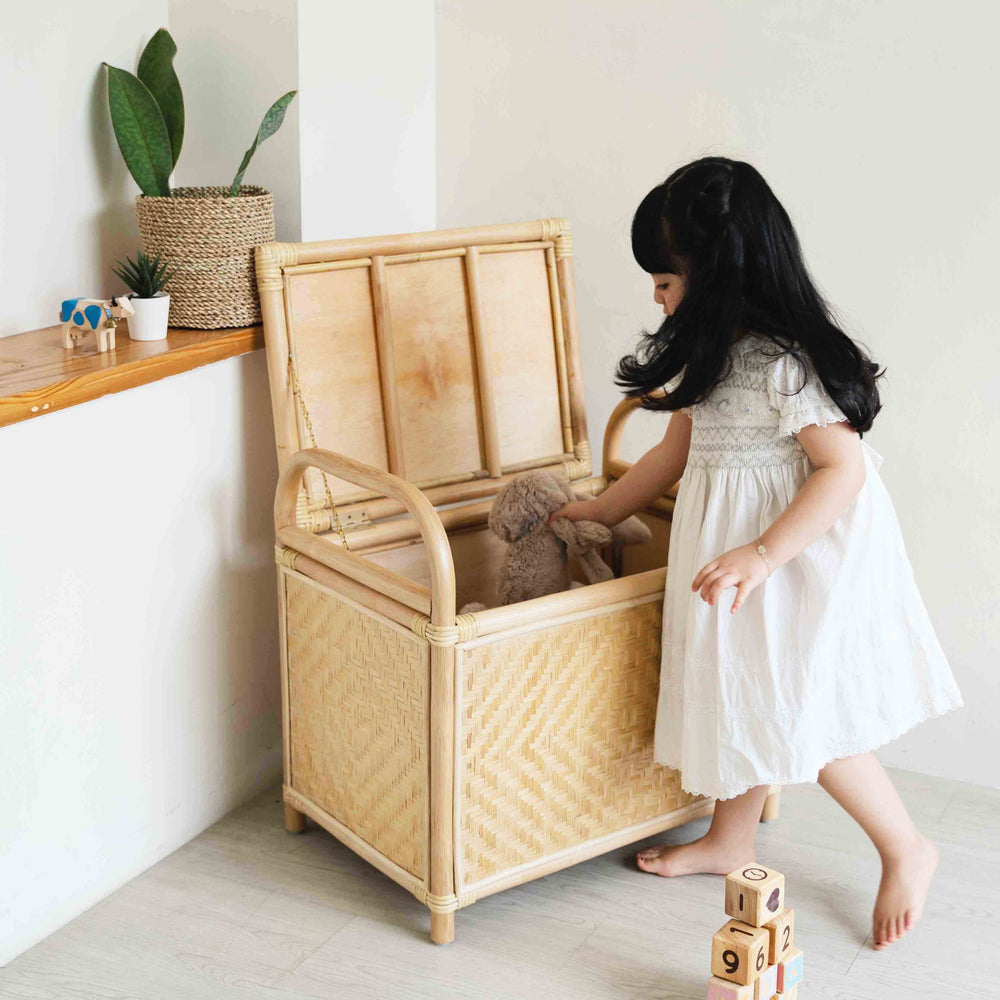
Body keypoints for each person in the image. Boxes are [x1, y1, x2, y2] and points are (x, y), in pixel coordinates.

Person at [550, 157, 963, 951]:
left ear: (719, 273)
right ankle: (728, 838)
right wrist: (601, 511)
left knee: (803, 708)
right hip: (737, 559)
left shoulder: (785, 364)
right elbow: (672, 454)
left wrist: (764, 555)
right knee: (743, 689)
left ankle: (907, 846)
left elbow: (842, 470)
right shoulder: (711, 359)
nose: (658, 299)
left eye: (666, 282)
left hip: (796, 555)